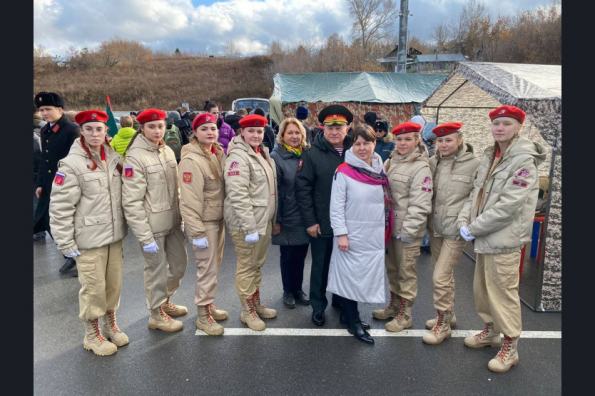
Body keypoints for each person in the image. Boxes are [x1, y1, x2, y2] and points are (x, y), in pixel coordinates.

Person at [458, 105, 546, 373]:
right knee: (483, 289)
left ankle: (510, 347)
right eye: (496, 123)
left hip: (503, 237)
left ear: (519, 127)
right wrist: (465, 220)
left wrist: (475, 228)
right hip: (485, 236)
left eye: (507, 124)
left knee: (504, 293)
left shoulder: (523, 160)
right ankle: (491, 333)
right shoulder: (491, 155)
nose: (499, 128)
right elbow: (476, 193)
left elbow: (510, 205)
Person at [49, 110, 129, 356]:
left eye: (99, 129)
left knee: (113, 285)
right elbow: (61, 206)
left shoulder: (114, 158)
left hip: (114, 237)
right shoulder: (71, 165)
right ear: (81, 131)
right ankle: (92, 335)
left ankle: (109, 324)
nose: (95, 133)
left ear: (106, 132)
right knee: (93, 288)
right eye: (89, 129)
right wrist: (65, 242)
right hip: (88, 240)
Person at [122, 109, 189, 333]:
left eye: (160, 126)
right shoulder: (135, 156)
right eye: (151, 127)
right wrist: (144, 235)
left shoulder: (167, 151)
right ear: (142, 128)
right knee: (155, 271)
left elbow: (177, 188)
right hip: (152, 227)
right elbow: (131, 201)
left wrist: (182, 218)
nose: (157, 130)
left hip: (173, 222)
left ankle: (164, 300)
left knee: (179, 265)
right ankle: (156, 314)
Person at [327, 125, 393, 345]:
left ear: (375, 144)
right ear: (351, 146)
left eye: (367, 143)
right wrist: (341, 234)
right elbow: (335, 207)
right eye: (357, 143)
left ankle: (348, 315)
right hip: (352, 234)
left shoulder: (379, 170)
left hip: (373, 235)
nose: (362, 148)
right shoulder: (343, 171)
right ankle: (354, 322)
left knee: (362, 277)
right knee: (350, 278)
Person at [295, 104, 360, 327]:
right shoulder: (312, 154)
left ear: (348, 128)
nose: (334, 132)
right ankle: (318, 307)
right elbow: (303, 190)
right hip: (323, 222)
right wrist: (311, 221)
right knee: (321, 267)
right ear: (322, 128)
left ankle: (341, 302)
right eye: (329, 127)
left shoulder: (357, 152)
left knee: (347, 266)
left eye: (339, 127)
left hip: (351, 223)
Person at [422, 122, 480, 345]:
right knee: (443, 275)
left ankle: (443, 324)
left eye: (449, 140)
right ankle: (450, 314)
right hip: (435, 227)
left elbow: (475, 196)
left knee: (440, 276)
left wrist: (464, 221)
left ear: (459, 140)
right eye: (440, 140)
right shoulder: (432, 162)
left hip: (456, 229)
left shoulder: (474, 164)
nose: (444, 144)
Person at [372, 122, 432, 332]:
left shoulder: (421, 166)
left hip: (406, 230)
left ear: (417, 140)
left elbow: (421, 203)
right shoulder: (392, 161)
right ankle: (395, 306)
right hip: (390, 228)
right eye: (399, 139)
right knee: (393, 270)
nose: (403, 143)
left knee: (406, 272)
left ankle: (406, 314)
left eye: (408, 139)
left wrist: (410, 231)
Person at [224, 114, 278, 331]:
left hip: (261, 221)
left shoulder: (262, 152)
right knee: (247, 266)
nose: (256, 135)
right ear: (242, 132)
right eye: (251, 131)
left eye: (260, 131)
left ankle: (255, 303)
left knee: (257, 265)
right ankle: (247, 311)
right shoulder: (238, 157)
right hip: (247, 225)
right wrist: (249, 227)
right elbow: (237, 194)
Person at [179, 113, 228, 336]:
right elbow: (189, 201)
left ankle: (208, 304)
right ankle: (202, 316)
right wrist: (196, 231)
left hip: (218, 219)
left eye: (213, 129)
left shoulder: (217, 153)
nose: (210, 132)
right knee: (206, 269)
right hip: (204, 223)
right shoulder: (191, 160)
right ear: (195, 133)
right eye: (205, 129)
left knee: (214, 266)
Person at [34, 92, 81, 274]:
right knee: (46, 221)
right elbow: (45, 159)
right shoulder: (46, 130)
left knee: (68, 222)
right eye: (41, 110)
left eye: (48, 109)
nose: (44, 113)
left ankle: (78, 259)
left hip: (67, 185)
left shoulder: (72, 130)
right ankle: (69, 255)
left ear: (60, 110)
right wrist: (40, 184)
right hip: (50, 184)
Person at [270, 118, 311, 309]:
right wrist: (276, 220)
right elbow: (275, 191)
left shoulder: (307, 154)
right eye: (290, 133)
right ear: (282, 136)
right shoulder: (276, 157)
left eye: (297, 133)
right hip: (286, 216)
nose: (294, 137)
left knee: (301, 255)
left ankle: (298, 289)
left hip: (304, 215)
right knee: (287, 256)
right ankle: (287, 290)